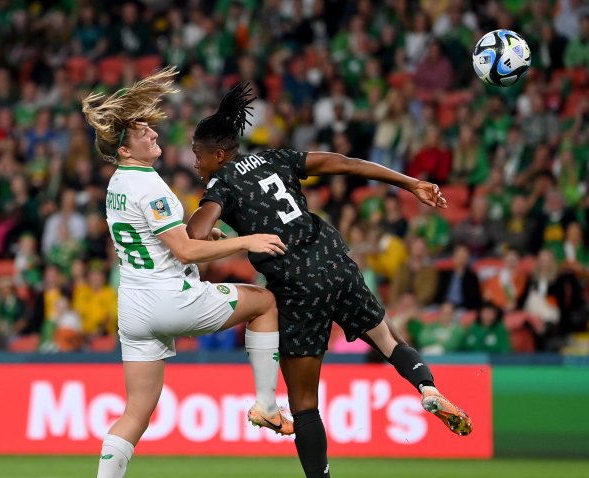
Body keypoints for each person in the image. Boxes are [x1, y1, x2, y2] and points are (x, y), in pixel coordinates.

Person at [188, 84, 472, 478]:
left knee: (303, 404)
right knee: (390, 341)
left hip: (296, 283)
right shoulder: (275, 158)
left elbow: (194, 236)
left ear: (217, 154)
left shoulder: (222, 184)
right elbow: (347, 163)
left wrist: (236, 238)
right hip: (333, 260)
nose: (195, 164)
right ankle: (427, 388)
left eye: (197, 155)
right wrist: (411, 183)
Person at [81, 70, 292, 478]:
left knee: (135, 414)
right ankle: (267, 405)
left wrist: (200, 236)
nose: (152, 133)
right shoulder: (151, 187)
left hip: (134, 308)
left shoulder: (117, 185)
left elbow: (161, 240)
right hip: (169, 299)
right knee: (264, 303)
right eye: (142, 132)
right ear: (125, 150)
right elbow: (184, 249)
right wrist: (244, 241)